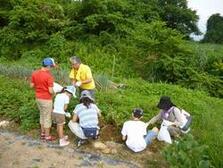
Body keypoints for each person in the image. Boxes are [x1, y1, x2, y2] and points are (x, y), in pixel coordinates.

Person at [30, 57, 56, 141]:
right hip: (47, 99)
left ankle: (42, 133)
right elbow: (50, 91)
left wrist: (39, 87)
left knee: (42, 115)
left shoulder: (34, 73)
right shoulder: (49, 76)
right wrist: (55, 93)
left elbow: (31, 86)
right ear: (48, 66)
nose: (51, 68)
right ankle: (47, 136)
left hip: (38, 98)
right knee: (47, 117)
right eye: (51, 67)